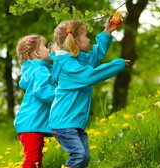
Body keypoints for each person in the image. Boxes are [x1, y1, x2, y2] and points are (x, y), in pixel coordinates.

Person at [49, 17, 130, 168]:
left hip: (72, 122)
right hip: (64, 123)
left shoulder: (76, 60)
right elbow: (89, 76)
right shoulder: (68, 66)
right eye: (85, 37)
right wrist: (117, 64)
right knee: (79, 155)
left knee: (84, 158)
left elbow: (93, 57)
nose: (88, 40)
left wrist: (107, 33)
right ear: (75, 42)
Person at [14, 34, 56, 168]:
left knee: (37, 158)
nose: (48, 49)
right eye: (45, 46)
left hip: (29, 123)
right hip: (31, 123)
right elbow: (41, 91)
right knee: (32, 159)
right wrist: (60, 94)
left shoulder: (33, 69)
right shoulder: (39, 69)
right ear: (37, 53)